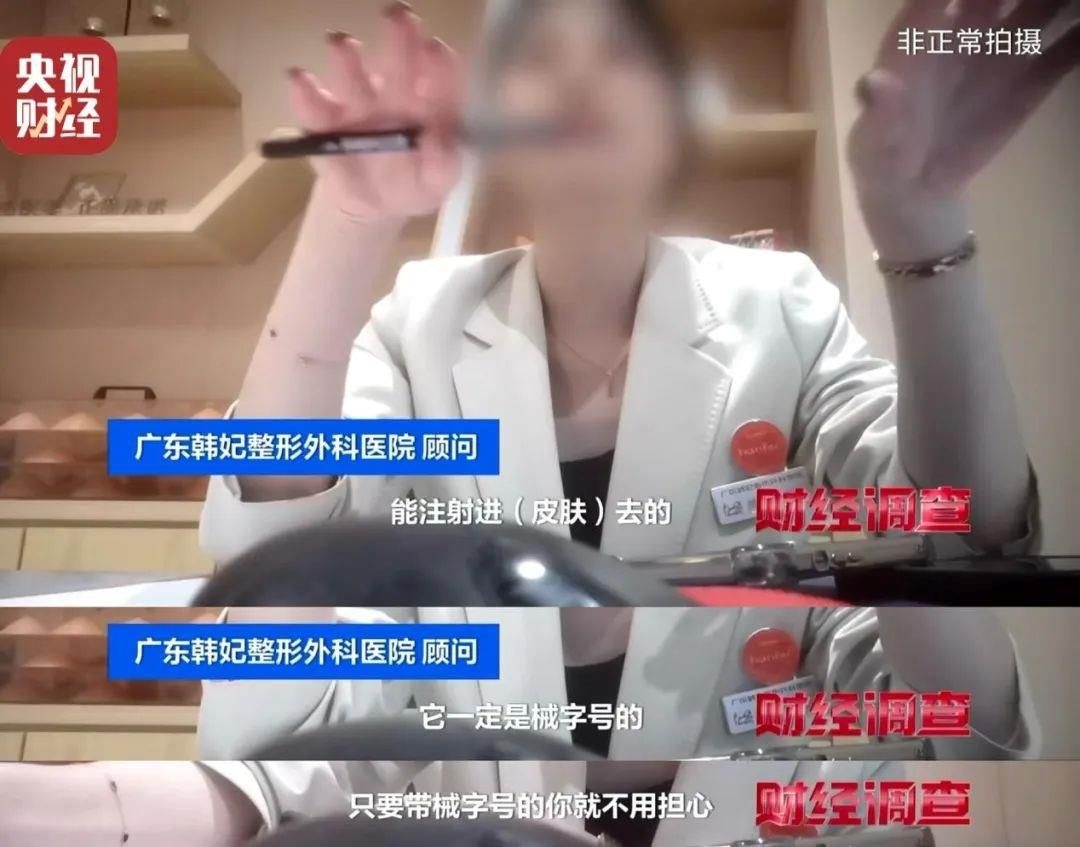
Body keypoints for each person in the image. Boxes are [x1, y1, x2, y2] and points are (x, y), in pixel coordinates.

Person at [198, 0, 1080, 565]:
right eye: (541, 56)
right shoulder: (418, 320)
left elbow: (964, 531)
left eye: (619, 52)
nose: (579, 78)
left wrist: (922, 226)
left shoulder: (788, 307)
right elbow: (272, 532)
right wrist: (347, 221)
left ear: (675, 123)